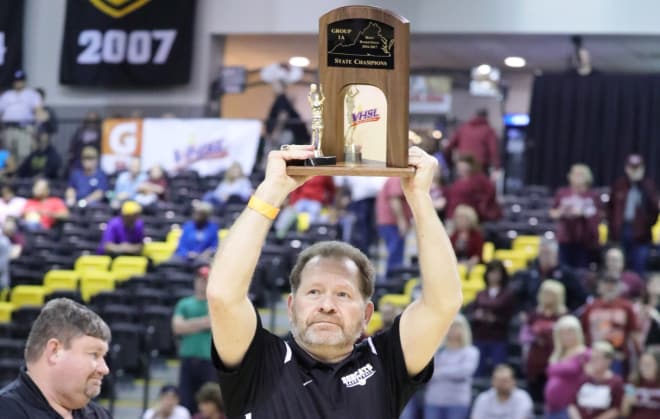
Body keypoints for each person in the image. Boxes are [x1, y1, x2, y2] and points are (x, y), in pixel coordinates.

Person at [206, 145, 462, 418]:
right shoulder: (258, 361)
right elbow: (223, 294)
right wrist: (271, 190)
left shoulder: (386, 362)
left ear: (367, 314)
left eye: (343, 294)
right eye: (314, 292)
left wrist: (419, 197)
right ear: (291, 306)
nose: (327, 305)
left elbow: (443, 303)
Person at [0, 298, 112, 418]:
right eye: (94, 354)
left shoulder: (100, 415)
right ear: (54, 351)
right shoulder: (6, 412)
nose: (105, 369)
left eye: (103, 356)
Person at [173, 266, 216, 414]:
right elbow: (177, 328)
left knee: (209, 403)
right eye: (200, 279)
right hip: (188, 359)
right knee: (186, 402)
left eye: (206, 280)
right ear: (195, 281)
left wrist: (189, 324)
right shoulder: (184, 303)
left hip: (209, 360)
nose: (203, 283)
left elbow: (214, 322)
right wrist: (203, 322)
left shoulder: (215, 303)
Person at [607, 154, 660, 274]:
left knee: (639, 266)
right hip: (621, 230)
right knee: (618, 265)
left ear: (642, 169)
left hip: (641, 235)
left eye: (637, 168)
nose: (634, 171)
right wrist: (613, 227)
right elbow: (610, 208)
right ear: (627, 168)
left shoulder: (648, 186)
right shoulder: (619, 185)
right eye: (632, 168)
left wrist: (648, 225)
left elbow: (655, 210)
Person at [581, 275, 640, 376]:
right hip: (594, 355)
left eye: (613, 285)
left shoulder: (626, 307)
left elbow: (633, 333)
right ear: (599, 286)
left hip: (617, 356)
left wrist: (635, 359)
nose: (609, 287)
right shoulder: (590, 307)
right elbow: (584, 332)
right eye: (606, 284)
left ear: (619, 287)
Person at [423, 314, 480, 419]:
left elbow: (464, 372)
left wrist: (439, 372)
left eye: (456, 327)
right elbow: (427, 373)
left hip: (457, 402)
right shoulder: (437, 350)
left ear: (464, 329)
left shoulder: (471, 351)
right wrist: (450, 371)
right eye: (450, 326)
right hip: (433, 400)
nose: (453, 330)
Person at [521, 280, 567, 404]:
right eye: (545, 293)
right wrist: (536, 337)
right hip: (535, 361)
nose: (547, 297)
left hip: (554, 360)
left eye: (551, 294)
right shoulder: (534, 314)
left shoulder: (563, 315)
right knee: (534, 398)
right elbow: (524, 336)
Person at [512, 237, 587, 313]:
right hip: (533, 316)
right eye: (542, 253)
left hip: (560, 316)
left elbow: (581, 298)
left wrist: (569, 311)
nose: (544, 257)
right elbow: (520, 298)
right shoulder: (528, 273)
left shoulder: (567, 274)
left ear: (556, 254)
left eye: (547, 253)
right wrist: (524, 311)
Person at [468, 260, 515, 377]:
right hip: (480, 335)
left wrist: (493, 318)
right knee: (477, 369)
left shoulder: (508, 294)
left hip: (498, 337)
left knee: (499, 369)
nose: (493, 276)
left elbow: (508, 316)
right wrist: (479, 316)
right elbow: (473, 312)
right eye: (491, 273)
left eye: (497, 273)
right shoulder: (480, 294)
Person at [549, 164, 600, 269]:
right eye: (575, 174)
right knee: (563, 268)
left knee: (581, 270)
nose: (577, 177)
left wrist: (581, 212)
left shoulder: (592, 196)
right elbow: (553, 212)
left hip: (584, 240)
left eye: (580, 174)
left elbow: (596, 215)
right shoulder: (562, 193)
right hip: (565, 239)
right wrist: (562, 212)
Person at [544, 315, 591, 419]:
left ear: (577, 333)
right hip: (551, 408)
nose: (566, 336)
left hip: (570, 409)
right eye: (563, 333)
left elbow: (590, 378)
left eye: (570, 332)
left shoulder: (585, 354)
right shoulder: (557, 354)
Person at [568, 341, 624, 419]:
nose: (594, 361)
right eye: (593, 357)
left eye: (598, 358)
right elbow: (571, 403)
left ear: (608, 361)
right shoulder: (582, 378)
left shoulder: (616, 381)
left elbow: (616, 409)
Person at [0, 70, 42, 163]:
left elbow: (39, 112)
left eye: (20, 80)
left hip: (24, 129)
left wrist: (37, 131)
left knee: (24, 155)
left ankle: (22, 176)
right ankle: (10, 176)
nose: (18, 83)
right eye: (16, 80)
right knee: (8, 156)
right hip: (8, 129)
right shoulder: (7, 95)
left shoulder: (32, 94)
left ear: (24, 81)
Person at [443, 155, 501, 222]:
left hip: (471, 218)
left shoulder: (479, 179)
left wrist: (482, 207)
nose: (461, 168)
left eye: (464, 166)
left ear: (471, 166)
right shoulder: (457, 182)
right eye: (460, 166)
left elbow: (490, 192)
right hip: (453, 216)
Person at [445, 109, 500, 176]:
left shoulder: (463, 128)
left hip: (463, 165)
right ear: (486, 117)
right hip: (480, 167)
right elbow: (493, 150)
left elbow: (449, 147)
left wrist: (449, 163)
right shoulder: (489, 130)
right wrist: (497, 167)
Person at [376, 176, 413, 275]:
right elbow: (394, 199)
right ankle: (393, 281)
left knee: (396, 252)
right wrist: (402, 221)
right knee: (395, 253)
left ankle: (393, 279)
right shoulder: (396, 178)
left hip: (391, 222)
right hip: (392, 222)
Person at [621, 349, 660, 419]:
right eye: (642, 364)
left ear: (657, 365)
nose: (644, 368)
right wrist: (627, 403)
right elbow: (624, 413)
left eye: (648, 364)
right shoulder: (632, 383)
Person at [450, 204, 484, 269]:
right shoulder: (453, 236)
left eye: (463, 218)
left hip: (472, 265)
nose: (460, 220)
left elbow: (478, 255)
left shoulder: (477, 236)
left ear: (470, 219)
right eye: (458, 218)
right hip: (455, 264)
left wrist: (469, 264)